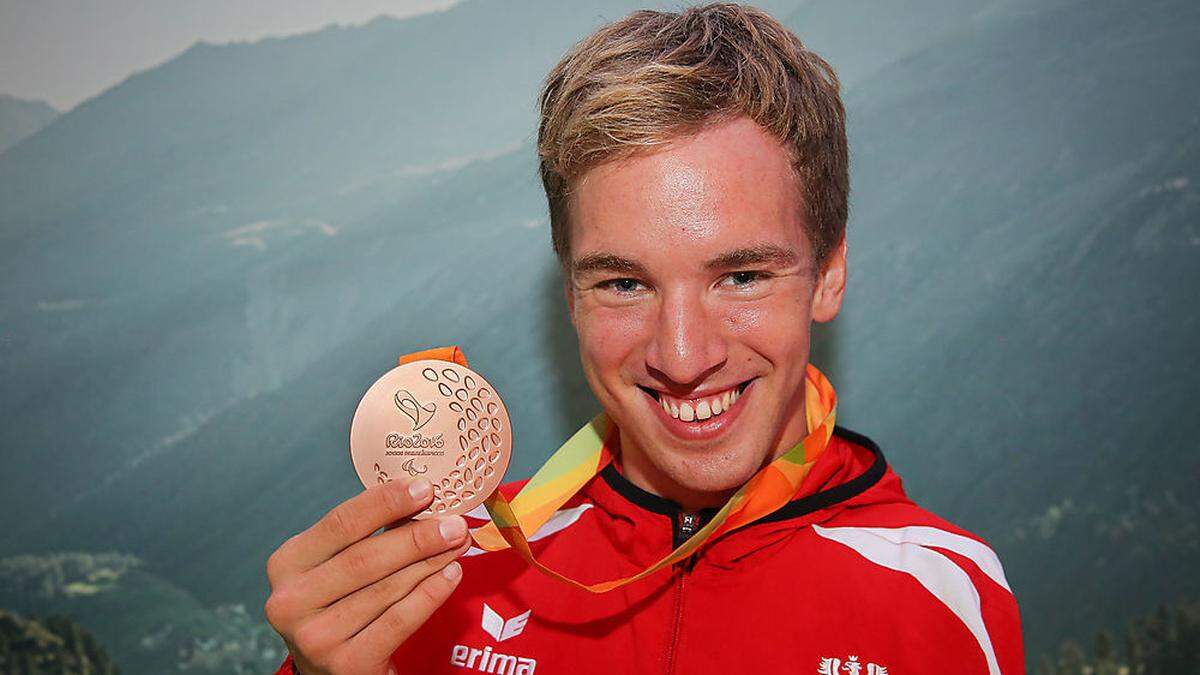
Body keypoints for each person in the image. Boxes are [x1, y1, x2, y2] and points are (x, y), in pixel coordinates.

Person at [264, 4, 1025, 674]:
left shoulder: (944, 594)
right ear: (570, 294)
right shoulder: (449, 573)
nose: (685, 356)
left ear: (828, 275)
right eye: (624, 284)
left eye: (743, 276)